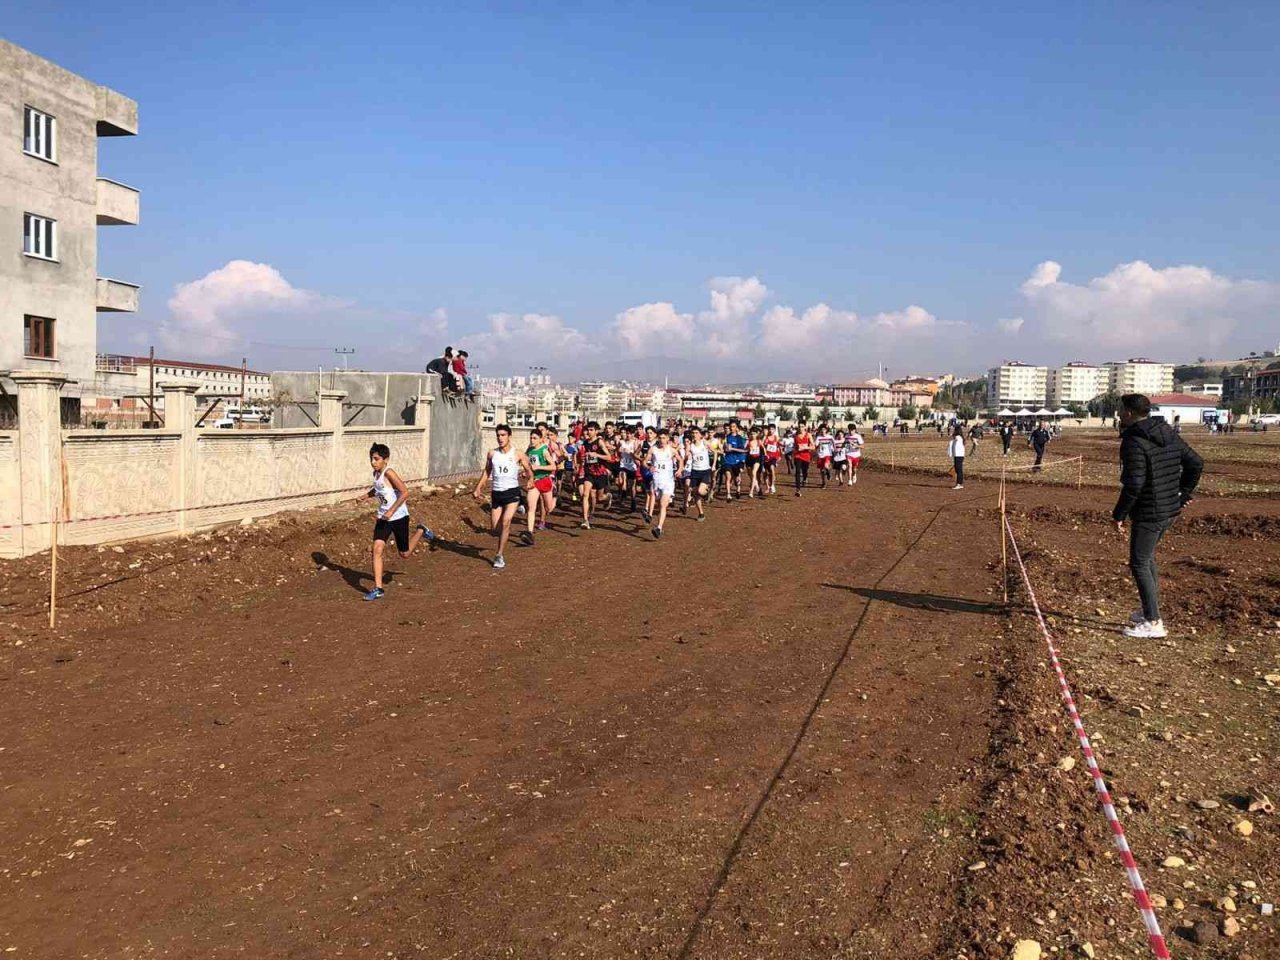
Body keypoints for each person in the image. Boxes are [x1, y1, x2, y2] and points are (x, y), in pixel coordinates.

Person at [1113, 394, 1204, 639]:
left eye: (1121, 410)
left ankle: (1153, 622)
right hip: (1169, 510)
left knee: (1139, 562)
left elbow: (1134, 483)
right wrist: (1182, 494)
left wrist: (1119, 514)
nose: (1119, 414)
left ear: (1129, 412)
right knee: (1147, 558)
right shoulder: (1167, 431)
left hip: (1149, 512)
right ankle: (1149, 611)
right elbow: (1196, 462)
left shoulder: (1134, 441)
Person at [361, 443, 434, 601]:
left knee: (404, 554)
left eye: (376, 459)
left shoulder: (389, 473)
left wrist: (392, 511)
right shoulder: (376, 474)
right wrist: (365, 496)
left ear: (385, 459)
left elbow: (405, 492)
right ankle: (378, 588)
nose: (373, 462)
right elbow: (378, 489)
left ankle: (421, 530)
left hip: (399, 517)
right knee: (377, 549)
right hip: (383, 518)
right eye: (371, 459)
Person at [472, 424, 532, 569]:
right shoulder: (492, 454)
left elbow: (528, 469)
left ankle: (499, 555)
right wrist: (478, 487)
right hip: (497, 494)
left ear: (509, 436)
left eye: (503, 435)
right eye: (498, 435)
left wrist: (530, 479)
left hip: (512, 492)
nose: (500, 438)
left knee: (506, 522)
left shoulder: (517, 454)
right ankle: (521, 506)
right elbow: (487, 471)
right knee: (495, 527)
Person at [645, 428, 683, 538]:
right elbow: (644, 461)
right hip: (656, 480)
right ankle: (651, 516)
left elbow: (680, 460)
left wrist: (680, 470)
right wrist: (649, 466)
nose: (662, 440)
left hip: (668, 482)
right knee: (658, 503)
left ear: (667, 439)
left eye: (664, 438)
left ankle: (659, 528)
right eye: (660, 438)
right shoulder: (653, 449)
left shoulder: (671, 450)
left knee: (663, 504)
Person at [575, 421, 613, 529]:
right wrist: (581, 460)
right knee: (585, 495)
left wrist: (596, 455)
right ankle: (585, 521)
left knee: (600, 498)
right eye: (588, 430)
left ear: (596, 431)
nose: (589, 432)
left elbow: (609, 457)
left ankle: (608, 496)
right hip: (589, 472)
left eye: (591, 430)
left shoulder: (599, 442)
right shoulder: (585, 443)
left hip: (600, 472)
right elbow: (580, 456)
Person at [523, 423, 558, 541]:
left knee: (549, 509)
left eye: (534, 438)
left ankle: (555, 497)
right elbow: (527, 464)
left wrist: (538, 467)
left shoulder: (544, 451)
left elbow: (553, 467)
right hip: (535, 482)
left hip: (545, 481)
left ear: (540, 439)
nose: (532, 440)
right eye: (531, 438)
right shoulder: (529, 450)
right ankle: (529, 533)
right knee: (531, 507)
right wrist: (525, 473)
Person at [686, 426, 715, 521]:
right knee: (696, 494)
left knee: (700, 491)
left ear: (700, 434)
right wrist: (687, 455)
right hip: (695, 471)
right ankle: (701, 513)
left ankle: (706, 493)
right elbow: (686, 455)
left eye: (696, 433)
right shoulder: (690, 445)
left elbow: (715, 452)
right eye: (693, 433)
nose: (694, 435)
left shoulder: (704, 443)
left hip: (705, 471)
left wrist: (713, 465)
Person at [722, 421, 747, 499]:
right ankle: (728, 495)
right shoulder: (726, 437)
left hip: (737, 461)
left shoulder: (739, 438)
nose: (731, 428)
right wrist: (725, 448)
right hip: (728, 460)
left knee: (737, 478)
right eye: (730, 426)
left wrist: (732, 449)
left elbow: (743, 450)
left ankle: (738, 489)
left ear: (736, 428)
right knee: (728, 477)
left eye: (733, 426)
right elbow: (724, 448)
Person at [793, 423, 813, 496]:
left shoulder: (808, 435)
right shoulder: (796, 436)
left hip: (806, 456)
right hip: (798, 455)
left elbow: (813, 447)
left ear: (805, 427)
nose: (800, 428)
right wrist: (795, 450)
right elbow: (795, 447)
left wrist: (806, 447)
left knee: (805, 470)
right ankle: (798, 490)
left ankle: (805, 478)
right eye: (799, 427)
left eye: (802, 427)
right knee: (797, 471)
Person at [814, 423, 835, 488]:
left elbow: (834, 445)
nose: (823, 431)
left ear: (826, 430)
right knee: (822, 470)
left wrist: (834, 451)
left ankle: (828, 473)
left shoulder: (830, 437)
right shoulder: (818, 437)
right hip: (820, 455)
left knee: (826, 466)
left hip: (827, 454)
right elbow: (815, 446)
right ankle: (824, 483)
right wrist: (818, 445)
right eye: (821, 429)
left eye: (824, 429)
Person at [948, 425, 966, 490]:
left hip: (959, 455)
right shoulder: (960, 437)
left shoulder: (958, 437)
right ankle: (959, 483)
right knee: (958, 469)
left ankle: (959, 483)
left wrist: (952, 435)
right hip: (959, 455)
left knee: (959, 470)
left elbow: (955, 438)